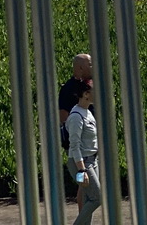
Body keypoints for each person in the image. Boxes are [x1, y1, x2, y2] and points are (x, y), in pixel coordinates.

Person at [59, 53, 93, 212]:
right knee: (87, 188)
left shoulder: (89, 85)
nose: (92, 67)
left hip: (90, 141)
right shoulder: (69, 89)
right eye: (90, 64)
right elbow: (64, 118)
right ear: (80, 67)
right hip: (79, 144)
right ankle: (82, 219)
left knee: (85, 186)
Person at [66, 79, 101, 225]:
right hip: (81, 164)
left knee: (88, 199)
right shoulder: (76, 116)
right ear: (86, 94)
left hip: (92, 161)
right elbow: (74, 147)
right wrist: (82, 171)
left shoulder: (87, 112)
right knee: (97, 198)